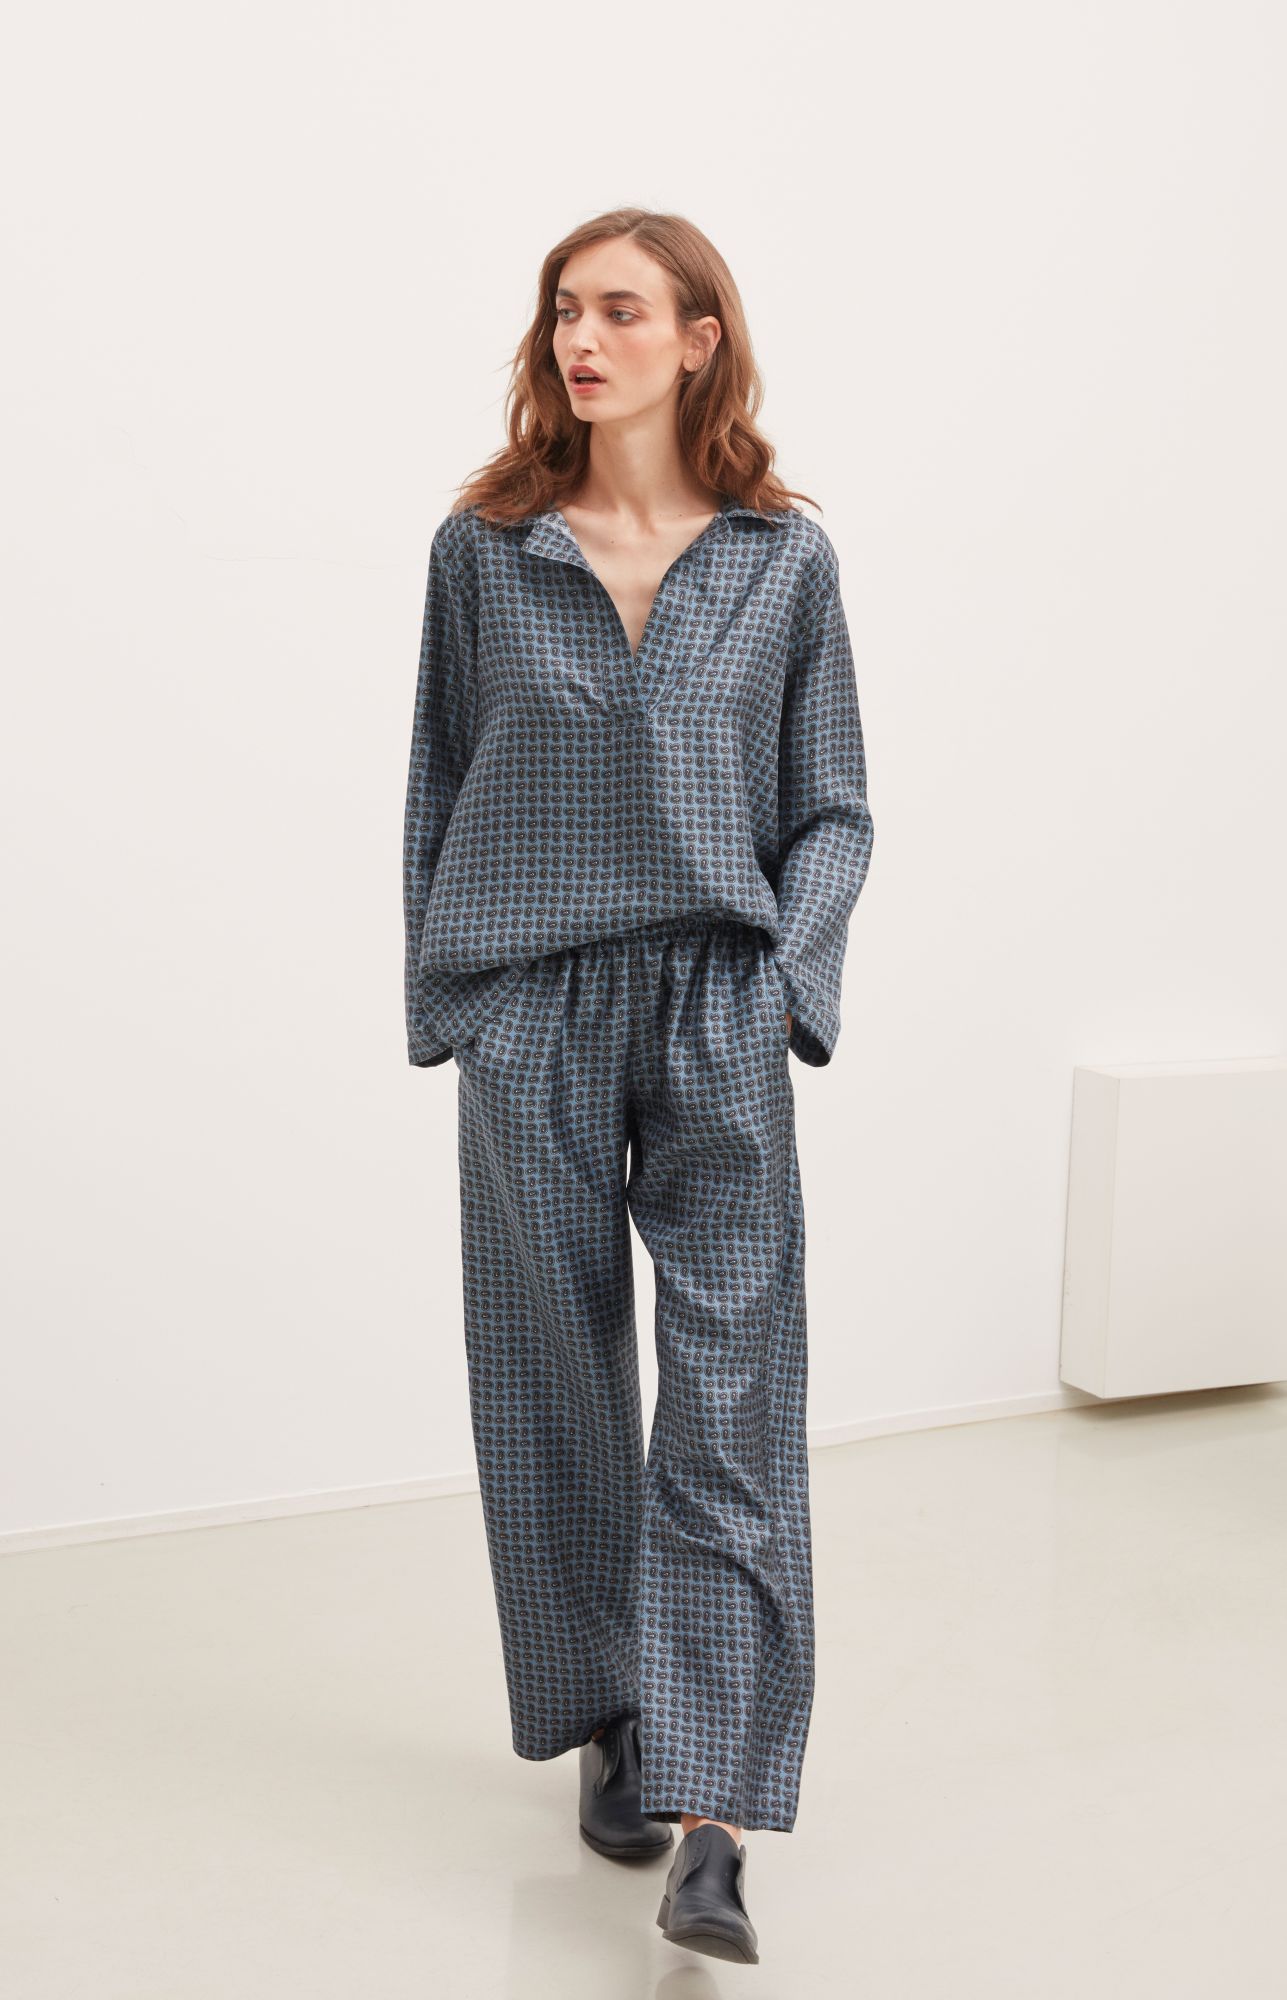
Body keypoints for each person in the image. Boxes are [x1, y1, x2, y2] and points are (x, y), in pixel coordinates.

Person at [402, 206, 874, 1964]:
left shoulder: (783, 563)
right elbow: (437, 782)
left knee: (734, 1394)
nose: (580, 339)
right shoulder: (486, 550)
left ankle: (715, 1814)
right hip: (534, 1003)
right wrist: (455, 1000)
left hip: (714, 1008)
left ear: (698, 338)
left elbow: (834, 806)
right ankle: (610, 1706)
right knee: (555, 1382)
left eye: (617, 309)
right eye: (562, 311)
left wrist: (784, 986)